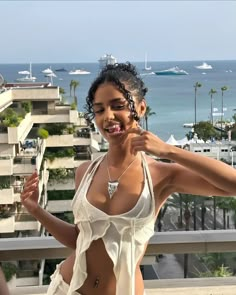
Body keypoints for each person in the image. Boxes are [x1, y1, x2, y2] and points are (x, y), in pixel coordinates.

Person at [21, 62, 236, 295]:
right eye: (99, 109)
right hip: (67, 288)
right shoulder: (85, 171)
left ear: (141, 108)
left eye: (118, 106)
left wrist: (169, 151)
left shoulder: (161, 175)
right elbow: (80, 240)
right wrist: (36, 210)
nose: (108, 117)